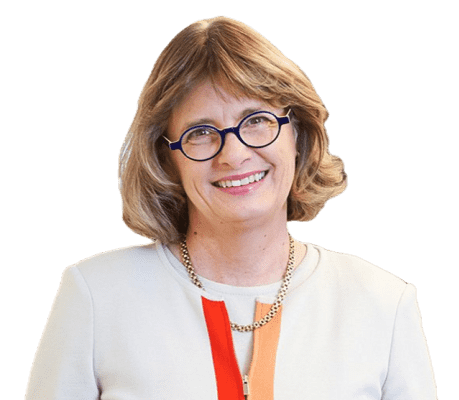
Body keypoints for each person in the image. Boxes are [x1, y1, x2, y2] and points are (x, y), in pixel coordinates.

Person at [25, 16, 437, 400]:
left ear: (297, 134)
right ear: (167, 158)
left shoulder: (383, 304)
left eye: (256, 120)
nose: (234, 155)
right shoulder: (96, 297)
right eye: (201, 132)